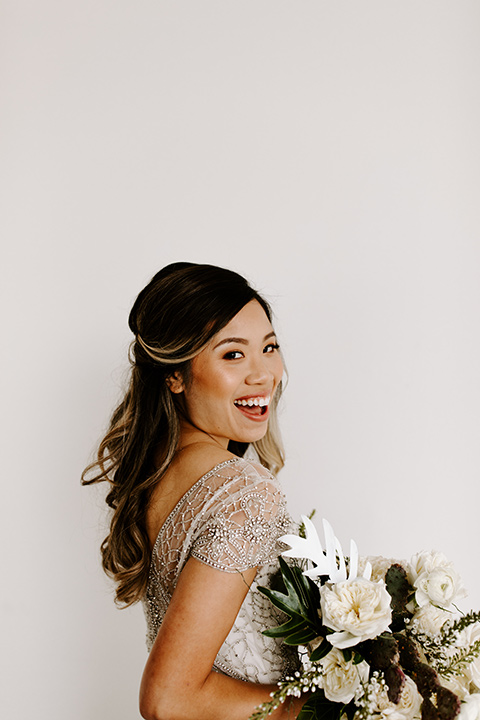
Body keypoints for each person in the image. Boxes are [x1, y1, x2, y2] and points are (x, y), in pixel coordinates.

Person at [82, 262, 309, 719]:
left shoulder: (162, 478)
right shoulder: (244, 492)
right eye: (232, 354)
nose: (263, 374)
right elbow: (169, 699)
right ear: (175, 375)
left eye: (269, 347)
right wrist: (327, 707)